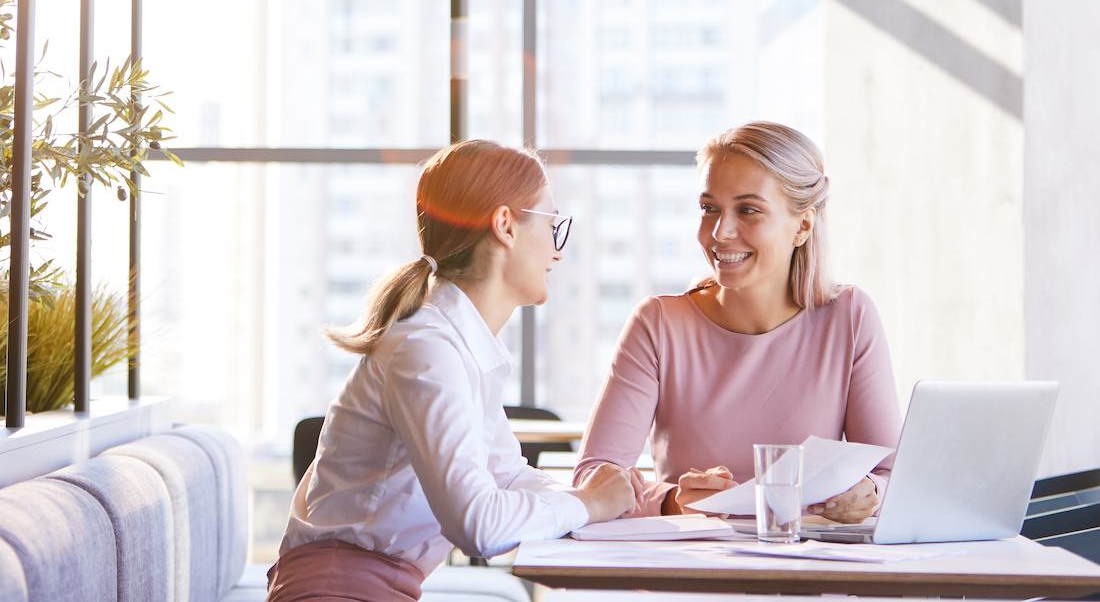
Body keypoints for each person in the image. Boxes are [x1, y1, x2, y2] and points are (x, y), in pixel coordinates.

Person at [267, 139, 637, 602]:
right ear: (505, 225)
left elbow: (505, 474)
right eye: (553, 225)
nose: (558, 251)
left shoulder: (458, 345)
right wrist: (587, 504)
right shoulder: (427, 349)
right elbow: (479, 526)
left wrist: (619, 500)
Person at [573, 121, 901, 523]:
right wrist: (673, 500)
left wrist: (870, 493)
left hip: (809, 572)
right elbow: (593, 478)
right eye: (709, 208)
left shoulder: (850, 317)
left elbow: (889, 475)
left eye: (748, 210)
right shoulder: (658, 325)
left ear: (803, 225)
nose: (719, 232)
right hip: (693, 573)